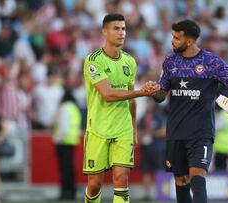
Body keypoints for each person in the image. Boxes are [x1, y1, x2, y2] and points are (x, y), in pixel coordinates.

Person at [152, 19, 228, 203]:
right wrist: (152, 91)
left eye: (177, 37)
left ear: (189, 41)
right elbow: (161, 95)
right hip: (176, 131)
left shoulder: (211, 61)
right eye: (172, 36)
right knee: (181, 180)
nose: (172, 41)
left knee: (197, 175)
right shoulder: (170, 62)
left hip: (201, 132)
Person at [82, 13, 159, 203]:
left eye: (123, 29)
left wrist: (133, 128)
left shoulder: (130, 62)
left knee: (121, 179)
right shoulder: (93, 60)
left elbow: (131, 99)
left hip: (123, 129)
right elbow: (108, 95)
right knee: (94, 184)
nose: (121, 33)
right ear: (105, 32)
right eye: (116, 28)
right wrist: (142, 92)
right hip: (98, 129)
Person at [53, 88, 82, 200]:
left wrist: (58, 139)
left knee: (65, 169)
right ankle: (72, 191)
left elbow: (63, 128)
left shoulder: (64, 108)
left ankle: (65, 193)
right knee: (70, 168)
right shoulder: (74, 108)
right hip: (72, 141)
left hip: (63, 142)